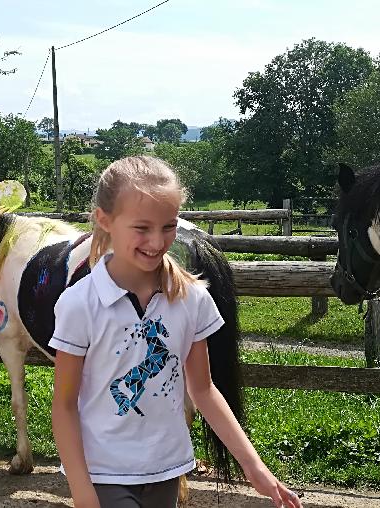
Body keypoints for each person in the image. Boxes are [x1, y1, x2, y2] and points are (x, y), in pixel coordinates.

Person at [50, 156, 303, 508]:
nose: (157, 241)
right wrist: (82, 491)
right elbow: (63, 405)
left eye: (168, 226)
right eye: (142, 228)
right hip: (104, 473)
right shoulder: (79, 304)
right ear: (104, 220)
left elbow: (202, 389)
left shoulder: (191, 298)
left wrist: (254, 466)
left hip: (167, 470)